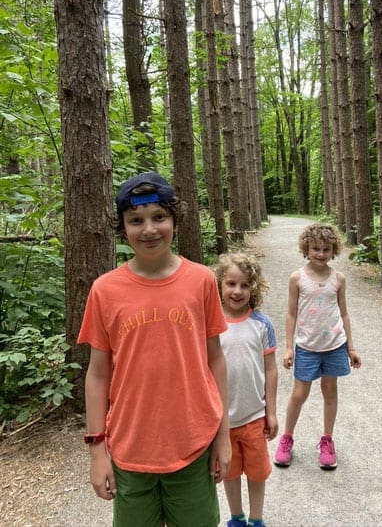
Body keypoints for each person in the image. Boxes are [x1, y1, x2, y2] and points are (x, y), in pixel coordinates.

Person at [78, 172, 230, 526]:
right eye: (136, 221)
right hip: (131, 448)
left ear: (175, 220)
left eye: (159, 217)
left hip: (192, 443)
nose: (149, 229)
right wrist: (96, 451)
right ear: (122, 228)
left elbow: (216, 360)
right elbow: (98, 375)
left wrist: (223, 437)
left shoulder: (201, 280)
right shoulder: (105, 290)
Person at [273, 223, 361, 470]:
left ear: (333, 250)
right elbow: (291, 314)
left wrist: (350, 348)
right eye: (315, 248)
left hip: (333, 345)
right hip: (307, 346)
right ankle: (286, 438)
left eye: (325, 249)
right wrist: (289, 347)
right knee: (299, 394)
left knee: (330, 392)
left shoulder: (338, 279)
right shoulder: (297, 278)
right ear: (306, 248)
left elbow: (343, 314)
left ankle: (326, 440)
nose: (320, 253)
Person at [215, 253, 278, 527]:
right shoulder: (211, 326)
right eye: (230, 284)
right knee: (229, 473)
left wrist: (271, 412)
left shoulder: (261, 325)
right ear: (219, 285)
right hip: (222, 420)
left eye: (244, 285)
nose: (237, 291)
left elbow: (271, 369)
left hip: (253, 417)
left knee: (257, 472)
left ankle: (256, 519)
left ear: (253, 288)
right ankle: (236, 518)